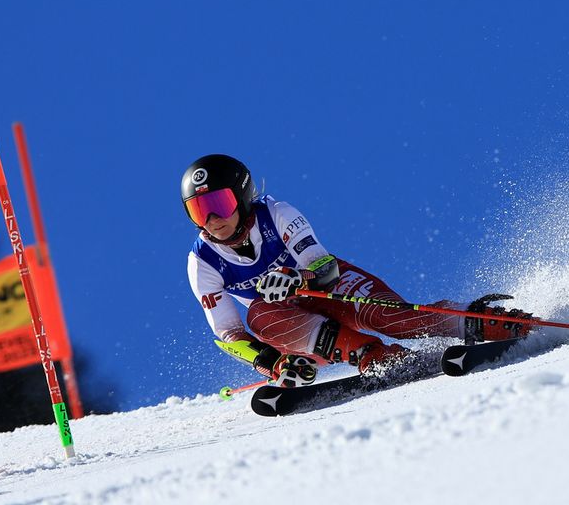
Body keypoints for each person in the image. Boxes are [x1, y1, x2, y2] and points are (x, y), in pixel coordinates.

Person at [183, 154, 532, 388]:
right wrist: (272, 364)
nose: (213, 221)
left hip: (329, 289)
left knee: (393, 318)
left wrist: (297, 279)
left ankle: (486, 322)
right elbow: (230, 334)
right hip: (294, 325)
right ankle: (374, 357)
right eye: (200, 211)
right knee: (260, 314)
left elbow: (324, 267)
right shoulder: (203, 262)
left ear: (242, 197)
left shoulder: (275, 213)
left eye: (219, 205)